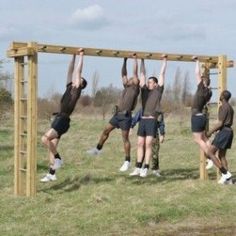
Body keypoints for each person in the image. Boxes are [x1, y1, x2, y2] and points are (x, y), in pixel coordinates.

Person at [40, 49, 87, 182]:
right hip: (60, 119)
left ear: (81, 84)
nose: (75, 79)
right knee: (51, 146)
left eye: (79, 80)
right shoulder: (69, 87)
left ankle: (58, 159)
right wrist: (72, 56)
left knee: (44, 139)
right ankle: (52, 173)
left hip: (62, 120)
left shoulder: (76, 90)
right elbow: (71, 71)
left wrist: (81, 56)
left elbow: (77, 72)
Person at [87, 55, 140, 172]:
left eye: (131, 79)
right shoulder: (126, 86)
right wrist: (125, 60)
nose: (129, 79)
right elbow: (123, 74)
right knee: (106, 130)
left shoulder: (135, 88)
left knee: (125, 139)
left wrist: (135, 59)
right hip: (117, 115)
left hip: (126, 116)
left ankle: (127, 161)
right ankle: (98, 149)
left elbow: (135, 73)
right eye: (129, 79)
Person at [191, 57, 232, 183]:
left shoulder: (201, 88)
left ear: (203, 82)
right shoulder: (209, 92)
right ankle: (210, 158)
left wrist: (196, 61)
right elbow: (201, 76)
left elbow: (196, 73)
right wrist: (205, 72)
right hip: (202, 116)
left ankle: (209, 157)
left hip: (197, 116)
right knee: (204, 139)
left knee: (198, 139)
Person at [130, 56, 167, 177]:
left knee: (148, 144)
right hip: (143, 121)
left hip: (152, 121)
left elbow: (162, 74)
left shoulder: (158, 91)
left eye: (150, 82)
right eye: (148, 82)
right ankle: (138, 167)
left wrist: (164, 61)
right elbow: (142, 74)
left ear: (156, 84)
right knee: (140, 144)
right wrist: (142, 60)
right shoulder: (144, 91)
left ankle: (146, 167)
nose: (148, 83)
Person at [207, 90, 234, 184]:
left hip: (224, 132)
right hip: (229, 131)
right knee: (222, 155)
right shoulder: (230, 108)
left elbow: (221, 123)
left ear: (222, 96)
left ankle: (225, 173)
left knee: (210, 152)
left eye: (221, 94)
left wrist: (210, 132)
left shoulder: (223, 107)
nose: (219, 95)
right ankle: (229, 180)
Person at [131, 109, 165, 176]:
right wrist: (131, 126)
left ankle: (155, 170)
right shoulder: (142, 110)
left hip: (154, 134)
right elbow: (135, 118)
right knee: (141, 150)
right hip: (144, 133)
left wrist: (162, 134)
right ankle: (138, 168)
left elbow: (161, 123)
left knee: (155, 152)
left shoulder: (158, 111)